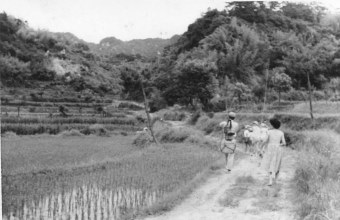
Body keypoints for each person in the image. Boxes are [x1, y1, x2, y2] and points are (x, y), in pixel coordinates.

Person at [261, 118, 286, 186]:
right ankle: (275, 179)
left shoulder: (269, 132)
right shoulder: (281, 133)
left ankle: (270, 180)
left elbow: (265, 140)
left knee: (270, 163)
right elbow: (284, 143)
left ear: (272, 125)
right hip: (278, 148)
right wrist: (278, 144)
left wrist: (261, 147)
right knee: (277, 162)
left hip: (270, 148)